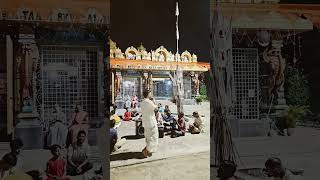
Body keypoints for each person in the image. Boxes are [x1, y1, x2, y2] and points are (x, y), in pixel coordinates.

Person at [140, 90, 158, 158]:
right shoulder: (149, 102)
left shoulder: (142, 102)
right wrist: (154, 101)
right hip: (151, 122)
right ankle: (146, 150)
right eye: (150, 93)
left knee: (148, 138)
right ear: (148, 94)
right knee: (153, 137)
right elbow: (156, 109)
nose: (151, 95)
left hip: (145, 122)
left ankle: (148, 151)